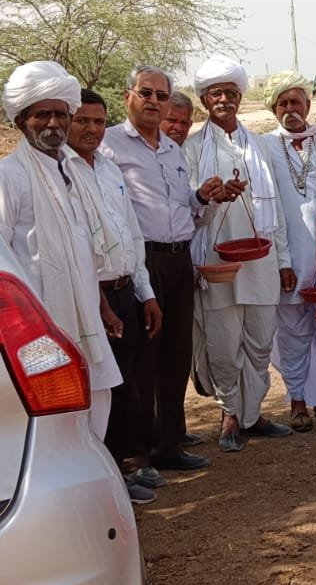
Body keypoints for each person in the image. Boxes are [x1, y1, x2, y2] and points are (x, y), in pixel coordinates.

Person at [101, 66, 221, 475]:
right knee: (143, 360)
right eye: (146, 93)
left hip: (178, 258)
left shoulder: (171, 149)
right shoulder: (109, 146)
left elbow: (183, 206)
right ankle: (139, 450)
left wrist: (201, 197)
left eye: (162, 95)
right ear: (128, 96)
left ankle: (170, 444)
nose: (154, 101)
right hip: (142, 261)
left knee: (176, 354)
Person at [0, 62, 122, 442]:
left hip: (86, 313)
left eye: (60, 113)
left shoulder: (74, 171)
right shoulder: (9, 176)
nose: (53, 122)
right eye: (42, 114)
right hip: (38, 322)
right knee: (54, 418)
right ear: (21, 121)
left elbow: (83, 248)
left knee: (97, 400)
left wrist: (102, 305)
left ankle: (93, 475)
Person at [185, 55, 293, 453]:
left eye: (231, 92)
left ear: (240, 97)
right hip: (216, 262)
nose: (224, 100)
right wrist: (211, 198)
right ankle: (229, 412)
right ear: (204, 100)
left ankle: (252, 414)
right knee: (224, 343)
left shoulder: (262, 145)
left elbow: (277, 208)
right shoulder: (192, 149)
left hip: (261, 258)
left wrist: (283, 260)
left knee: (260, 341)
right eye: (216, 93)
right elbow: (187, 209)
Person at [67, 88, 165, 504]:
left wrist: (146, 293)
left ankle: (119, 472)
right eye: (82, 120)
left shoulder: (107, 169)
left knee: (122, 387)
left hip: (125, 291)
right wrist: (100, 303)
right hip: (89, 299)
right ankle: (99, 485)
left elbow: (130, 234)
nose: (91, 129)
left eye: (98, 121)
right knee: (95, 391)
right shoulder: (60, 173)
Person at [262, 71, 316, 432]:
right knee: (293, 332)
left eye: (296, 102)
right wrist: (281, 261)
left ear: (308, 105)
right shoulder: (265, 147)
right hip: (289, 258)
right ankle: (297, 400)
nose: (289, 109)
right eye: (282, 103)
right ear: (274, 109)